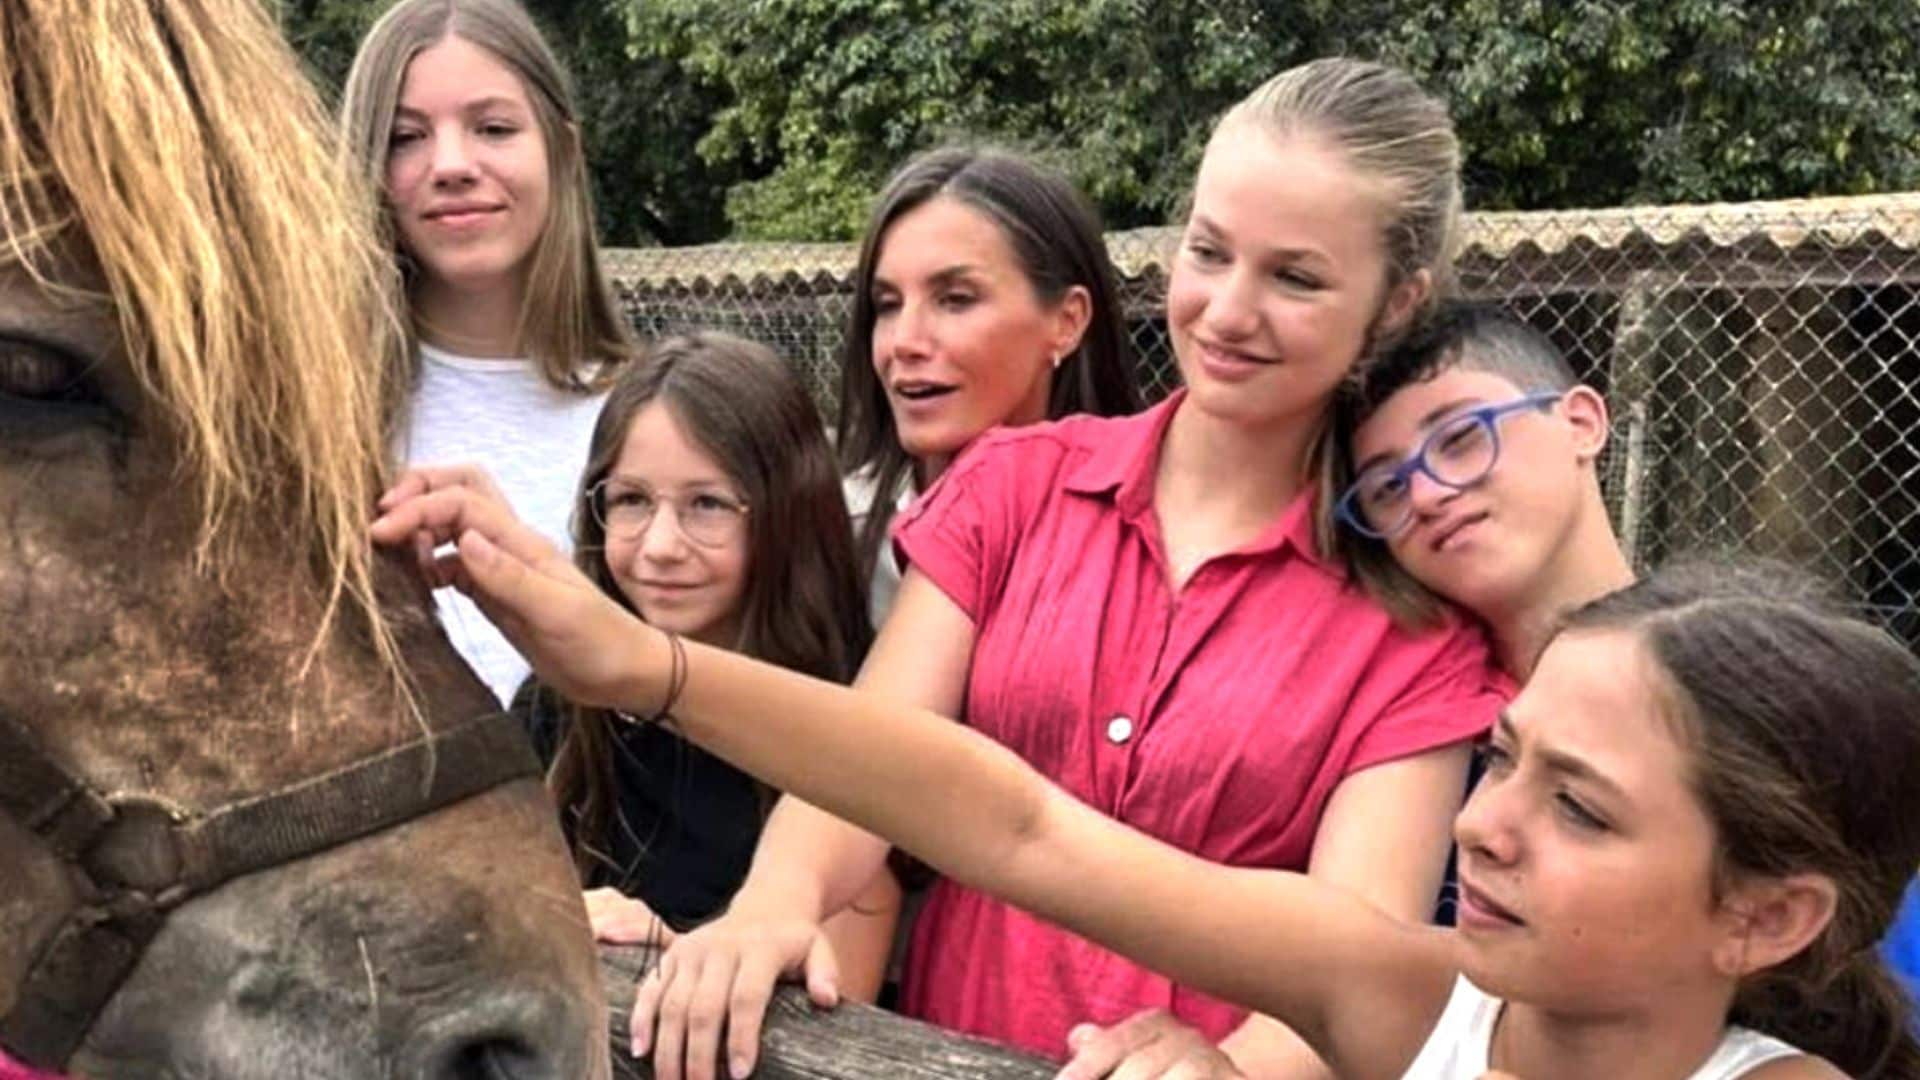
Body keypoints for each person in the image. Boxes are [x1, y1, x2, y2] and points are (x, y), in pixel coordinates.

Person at [399, 58, 1507, 1080]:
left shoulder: (1418, 624)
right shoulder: (1016, 486)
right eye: (1209, 252)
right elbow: (878, 760)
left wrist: (1241, 1068)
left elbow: (1360, 962)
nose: (1225, 310)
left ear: (1398, 299)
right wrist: (775, 902)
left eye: (1296, 278)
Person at [362, 464, 1920, 1080]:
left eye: (1578, 807)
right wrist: (643, 670)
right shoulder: (1418, 998)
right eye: (1503, 762)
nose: (1489, 831)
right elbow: (1019, 822)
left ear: (1767, 919)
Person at [341, 0, 633, 703]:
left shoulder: (658, 416)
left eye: (494, 128)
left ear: (564, 149)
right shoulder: (311, 423)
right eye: (405, 138)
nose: (450, 166)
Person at [837, 146, 1141, 625]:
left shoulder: (1155, 541)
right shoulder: (832, 539)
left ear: (1067, 320)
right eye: (887, 305)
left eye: (956, 300)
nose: (905, 342)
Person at [1333, 302, 1636, 678]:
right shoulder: (1396, 707)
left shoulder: (1711, 673)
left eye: (1461, 438)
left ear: (1581, 424)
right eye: (1389, 487)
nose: (1425, 496)